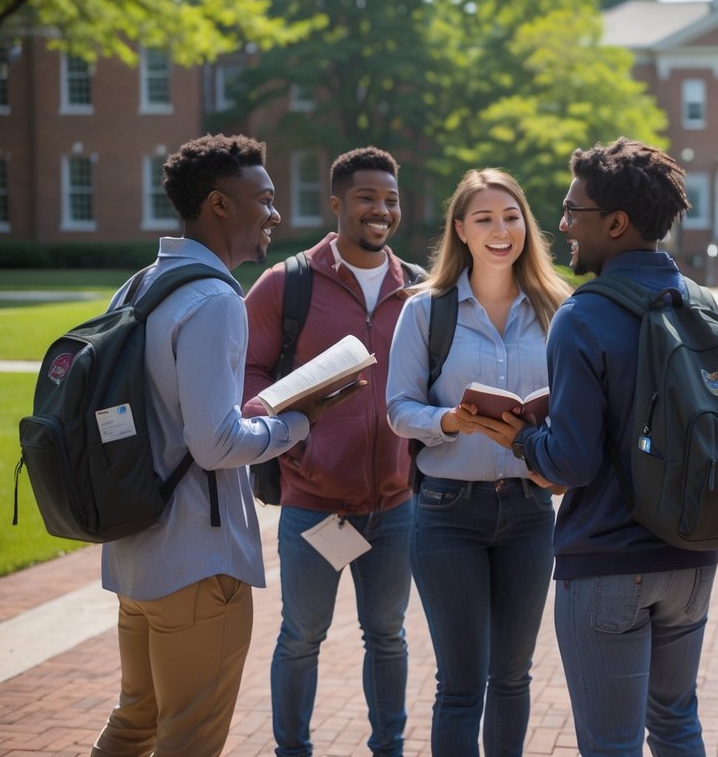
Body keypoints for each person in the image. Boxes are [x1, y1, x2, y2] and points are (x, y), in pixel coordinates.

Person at [91, 134, 354, 757]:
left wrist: (251, 415)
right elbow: (215, 445)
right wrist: (299, 420)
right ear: (218, 205)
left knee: (134, 724)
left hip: (135, 551)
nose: (275, 214)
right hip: (198, 563)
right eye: (263, 200)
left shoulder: (137, 285)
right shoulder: (214, 300)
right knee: (190, 740)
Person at [467, 138, 718, 756]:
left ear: (616, 222)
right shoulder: (698, 300)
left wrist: (525, 438)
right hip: (691, 556)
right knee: (678, 725)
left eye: (572, 210)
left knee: (610, 744)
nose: (561, 224)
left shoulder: (584, 314)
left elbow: (571, 462)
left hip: (609, 560)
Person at [242, 147, 422, 757]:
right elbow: (245, 372)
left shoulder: (419, 290)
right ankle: (292, 750)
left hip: (397, 504)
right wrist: (286, 429)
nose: (382, 210)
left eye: (392, 200)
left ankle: (388, 749)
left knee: (389, 637)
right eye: (368, 198)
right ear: (338, 202)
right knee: (301, 637)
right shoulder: (286, 284)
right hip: (314, 503)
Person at [385, 168, 571, 757]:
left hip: (529, 510)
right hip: (447, 513)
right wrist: (448, 422)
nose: (501, 230)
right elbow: (397, 408)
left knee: (513, 677)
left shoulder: (558, 309)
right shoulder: (425, 311)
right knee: (461, 684)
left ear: (526, 226)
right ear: (460, 229)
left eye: (511, 216)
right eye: (485, 219)